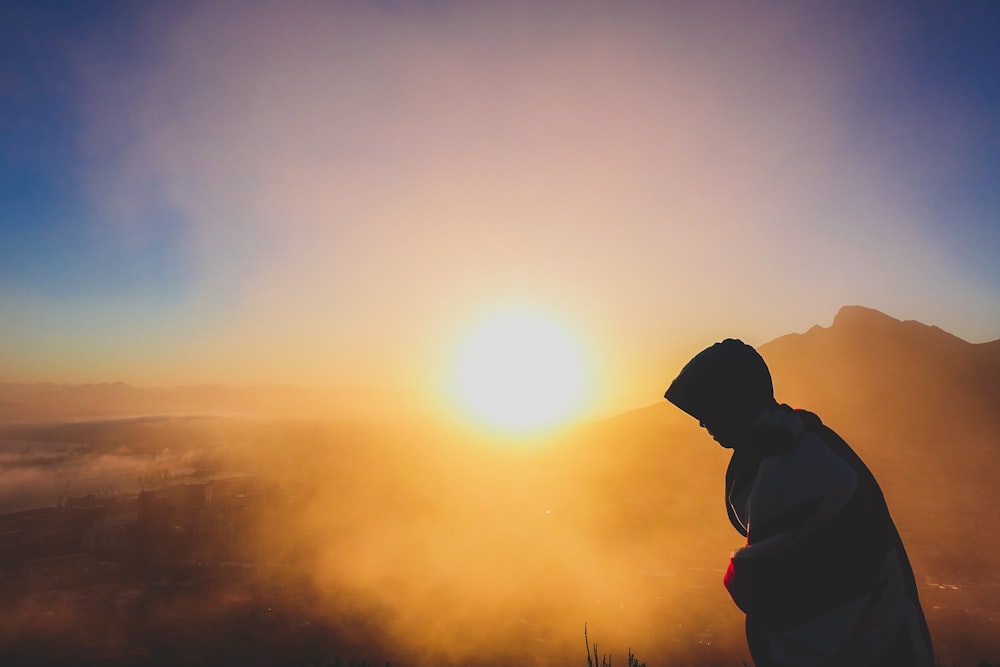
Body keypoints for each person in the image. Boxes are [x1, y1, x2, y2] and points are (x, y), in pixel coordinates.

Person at [664, 339, 934, 667]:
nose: (702, 423)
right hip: (892, 639)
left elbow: (764, 585)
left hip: (876, 648)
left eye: (707, 409)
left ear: (733, 402)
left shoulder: (792, 464)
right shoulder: (798, 440)